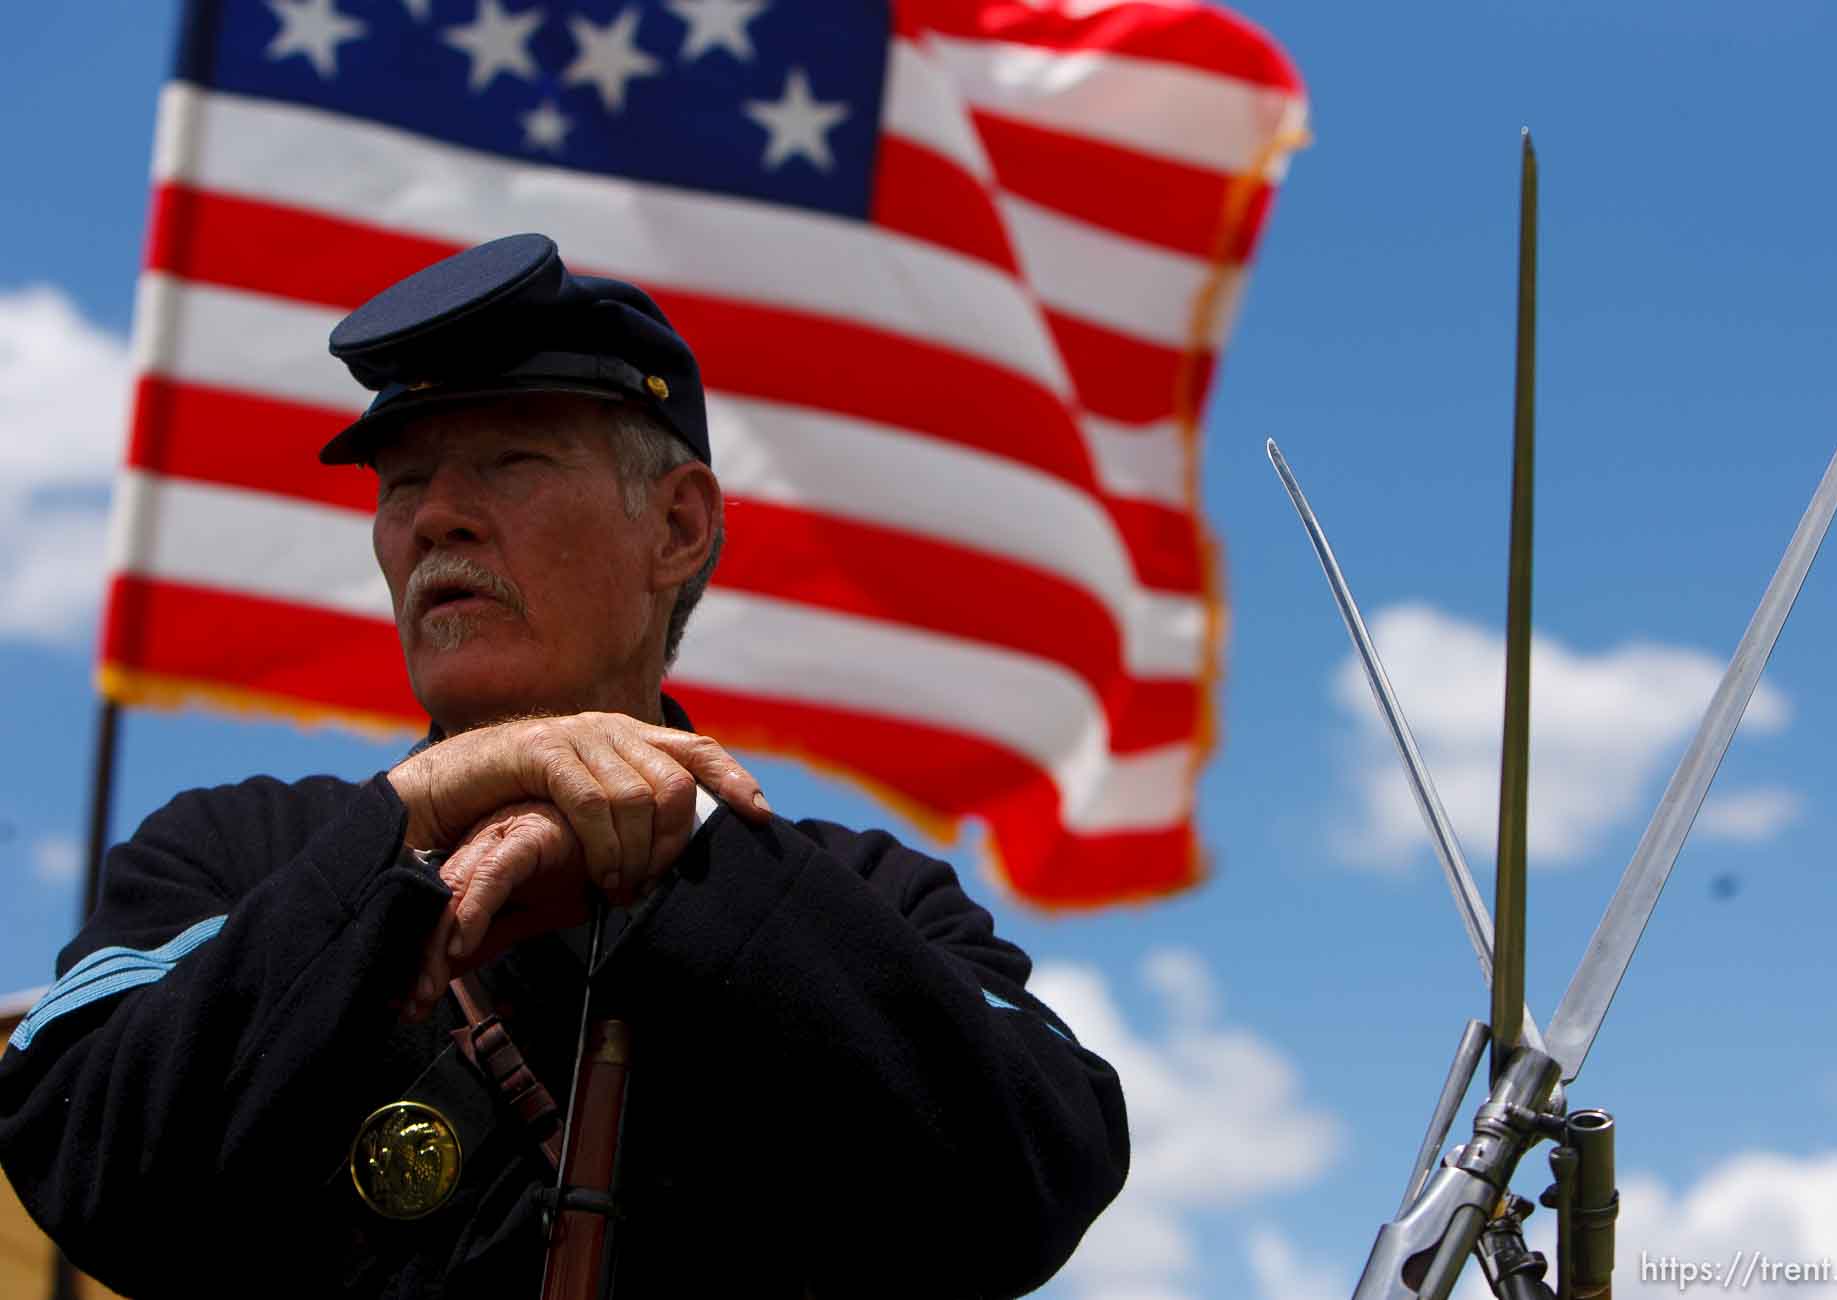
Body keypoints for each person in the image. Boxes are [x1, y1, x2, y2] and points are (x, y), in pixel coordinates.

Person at [0, 234, 1129, 1297]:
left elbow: (1033, 1175)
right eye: (402, 484)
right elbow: (89, 1156)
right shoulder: (236, 855)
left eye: (510, 461)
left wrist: (674, 847)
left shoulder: (875, 898)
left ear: (679, 528)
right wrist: (414, 823)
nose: (437, 517)